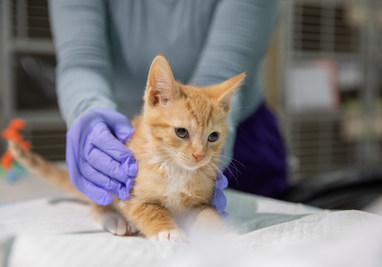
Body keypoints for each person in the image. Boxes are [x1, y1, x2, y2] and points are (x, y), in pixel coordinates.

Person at [49, 0, 288, 214]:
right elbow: (82, 59)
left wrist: (208, 155)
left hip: (237, 134)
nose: (197, 152)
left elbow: (221, 74)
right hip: (133, 132)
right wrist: (89, 113)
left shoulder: (202, 144)